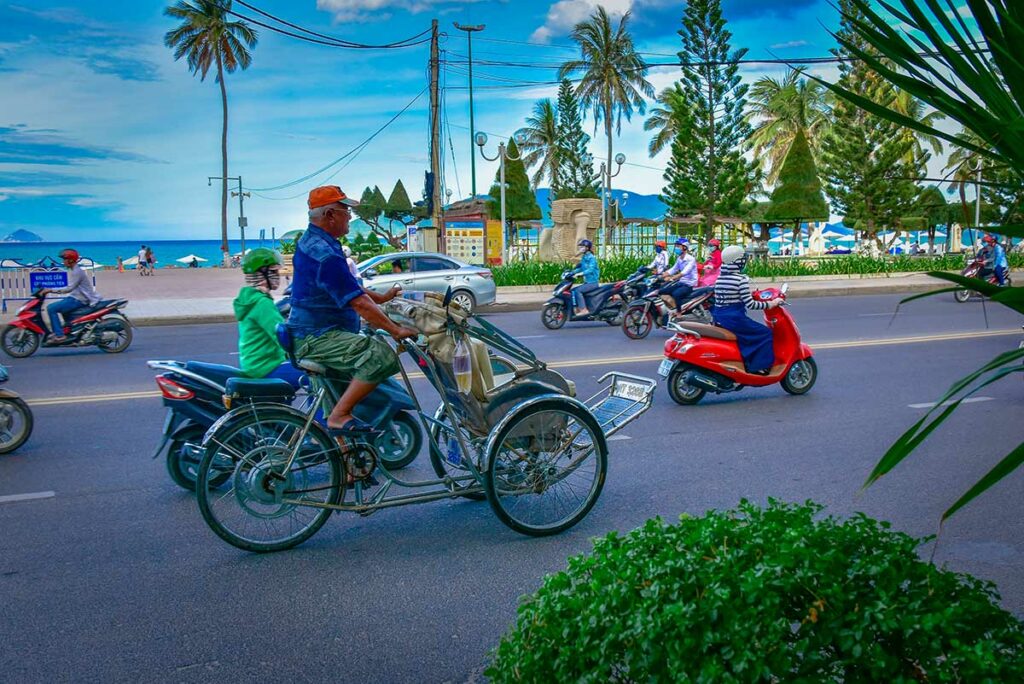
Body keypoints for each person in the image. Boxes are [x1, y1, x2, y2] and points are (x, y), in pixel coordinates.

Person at [288, 185, 417, 437]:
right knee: (380, 355)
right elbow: (358, 303)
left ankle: (346, 463)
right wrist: (395, 329)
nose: (350, 216)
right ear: (330, 215)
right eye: (346, 211)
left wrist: (380, 298)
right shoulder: (324, 253)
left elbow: (346, 286)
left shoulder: (319, 243)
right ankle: (340, 415)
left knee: (336, 393)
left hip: (312, 333)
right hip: (317, 337)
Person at [233, 248, 307, 389]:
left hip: (254, 364)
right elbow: (280, 335)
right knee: (315, 377)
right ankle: (325, 412)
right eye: (274, 272)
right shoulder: (262, 303)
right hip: (266, 367)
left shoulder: (249, 299)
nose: (277, 276)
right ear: (263, 273)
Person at [712, 245, 782, 374]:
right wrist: (772, 303)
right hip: (734, 319)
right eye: (743, 259)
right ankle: (758, 366)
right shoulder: (740, 279)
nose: (744, 262)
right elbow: (751, 305)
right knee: (764, 333)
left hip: (718, 316)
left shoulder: (720, 278)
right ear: (737, 261)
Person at [39, 248, 101, 342]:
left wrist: (50, 290)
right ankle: (67, 330)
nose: (63, 262)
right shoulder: (73, 270)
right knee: (61, 307)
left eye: (64, 259)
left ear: (71, 260)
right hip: (75, 297)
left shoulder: (77, 272)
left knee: (51, 308)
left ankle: (59, 335)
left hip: (80, 299)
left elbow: (68, 288)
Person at [661, 238, 698, 311]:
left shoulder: (691, 259)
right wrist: (663, 274)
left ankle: (679, 313)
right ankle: (671, 309)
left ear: (684, 247)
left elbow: (684, 272)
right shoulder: (679, 258)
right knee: (661, 291)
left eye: (678, 246)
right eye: (676, 246)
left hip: (689, 284)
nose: (676, 248)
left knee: (676, 294)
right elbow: (674, 269)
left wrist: (672, 278)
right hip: (681, 282)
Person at [571, 238, 600, 316]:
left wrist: (580, 274)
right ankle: (577, 308)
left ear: (587, 248)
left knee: (578, 291)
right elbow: (581, 267)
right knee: (573, 290)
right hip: (587, 282)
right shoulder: (584, 257)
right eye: (580, 247)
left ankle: (584, 310)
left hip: (593, 283)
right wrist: (572, 272)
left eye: (582, 247)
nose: (580, 248)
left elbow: (590, 269)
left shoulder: (591, 258)